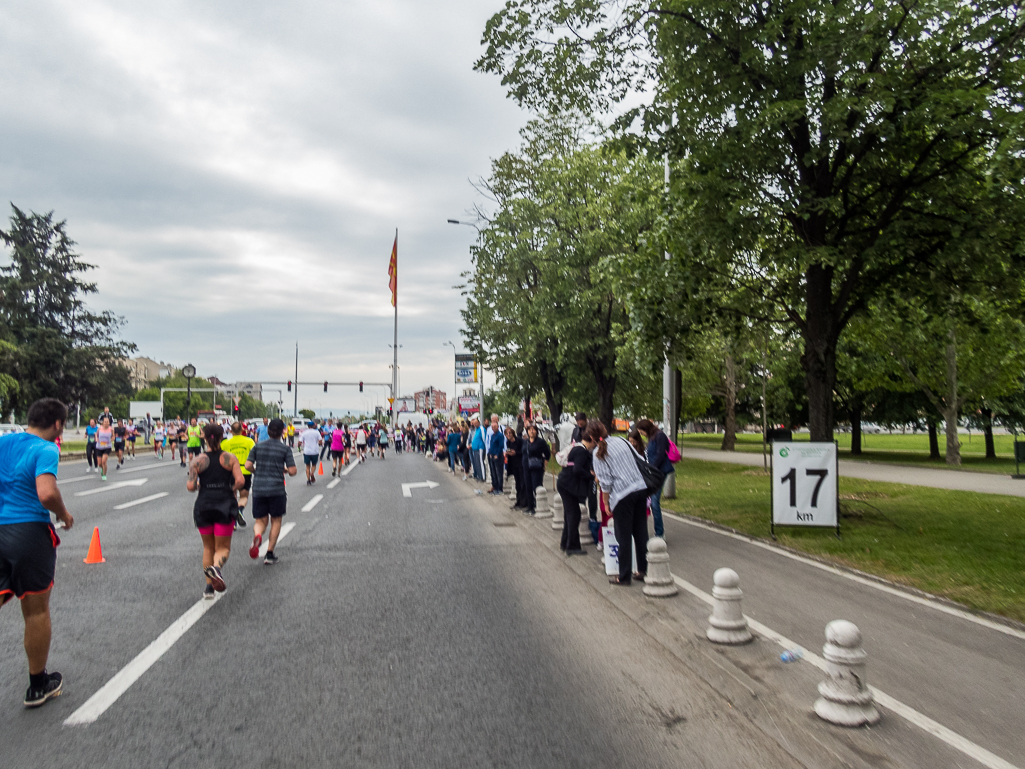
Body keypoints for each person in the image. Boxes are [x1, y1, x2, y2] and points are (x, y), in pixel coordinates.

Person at [0, 398, 74, 708]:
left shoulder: (4, 442)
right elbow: (46, 492)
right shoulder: (45, 449)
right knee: (35, 610)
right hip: (27, 532)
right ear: (58, 425)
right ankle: (37, 684)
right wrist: (64, 515)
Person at [585, 420, 648, 585]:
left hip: (622, 494)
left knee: (623, 535)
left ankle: (624, 575)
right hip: (640, 488)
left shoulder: (598, 453)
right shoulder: (622, 441)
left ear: (591, 436)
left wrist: (606, 503)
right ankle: (643, 569)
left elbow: (605, 483)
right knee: (641, 532)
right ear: (606, 430)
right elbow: (640, 458)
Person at [186, 423, 244, 599]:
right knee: (223, 547)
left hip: (203, 504)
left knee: (207, 547)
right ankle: (216, 568)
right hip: (224, 503)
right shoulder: (230, 458)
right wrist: (231, 488)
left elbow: (190, 486)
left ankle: (209, 588)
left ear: (204, 437)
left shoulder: (197, 461)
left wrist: (198, 485)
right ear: (221, 437)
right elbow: (241, 481)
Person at [246, 419, 297, 566]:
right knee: (276, 520)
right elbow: (293, 471)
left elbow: (248, 465)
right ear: (282, 432)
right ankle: (269, 553)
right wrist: (286, 470)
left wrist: (256, 471)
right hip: (276, 489)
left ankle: (257, 535)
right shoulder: (284, 449)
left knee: (260, 520)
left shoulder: (257, 447)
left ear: (268, 431)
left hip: (259, 488)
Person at [636, 419, 674, 539]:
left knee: (654, 502)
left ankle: (659, 532)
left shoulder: (659, 436)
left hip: (659, 472)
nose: (642, 435)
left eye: (642, 432)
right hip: (654, 472)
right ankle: (656, 531)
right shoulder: (652, 437)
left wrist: (652, 469)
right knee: (652, 501)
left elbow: (660, 454)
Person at [557, 435, 593, 555]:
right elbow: (577, 469)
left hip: (564, 483)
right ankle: (572, 546)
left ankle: (565, 542)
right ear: (591, 440)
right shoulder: (581, 451)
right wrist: (591, 476)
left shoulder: (576, 447)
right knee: (574, 515)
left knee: (569, 514)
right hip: (569, 485)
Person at [221, 422, 255, 528]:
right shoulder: (249, 441)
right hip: (245, 471)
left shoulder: (226, 443)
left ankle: (233, 521)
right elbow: (255, 453)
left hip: (230, 471)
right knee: (244, 496)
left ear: (230, 430)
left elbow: (221, 457)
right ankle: (240, 510)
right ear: (242, 430)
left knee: (232, 495)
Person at [521, 423, 551, 515]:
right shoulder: (525, 442)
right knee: (528, 486)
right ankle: (530, 506)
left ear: (537, 431)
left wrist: (545, 463)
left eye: (533, 430)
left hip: (536, 467)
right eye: (529, 430)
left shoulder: (540, 442)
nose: (531, 431)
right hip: (526, 467)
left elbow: (547, 453)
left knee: (536, 486)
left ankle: (539, 506)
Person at [504, 427, 525, 507]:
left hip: (520, 464)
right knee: (517, 484)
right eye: (507, 433)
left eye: (510, 433)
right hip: (513, 464)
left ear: (513, 433)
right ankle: (518, 500)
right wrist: (508, 453)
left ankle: (523, 501)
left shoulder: (519, 441)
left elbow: (522, 451)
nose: (508, 435)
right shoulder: (508, 442)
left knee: (522, 483)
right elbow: (508, 450)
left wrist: (515, 453)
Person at [486, 415, 507, 495]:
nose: (493, 428)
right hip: (491, 454)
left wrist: (498, 454)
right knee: (493, 472)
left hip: (498, 455)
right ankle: (495, 487)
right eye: (492, 426)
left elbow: (501, 445)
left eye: (495, 426)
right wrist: (489, 452)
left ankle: (499, 488)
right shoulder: (491, 433)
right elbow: (488, 442)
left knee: (499, 472)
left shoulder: (500, 433)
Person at [469, 417, 485, 482]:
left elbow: (484, 439)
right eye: (474, 423)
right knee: (476, 463)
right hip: (474, 448)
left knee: (480, 462)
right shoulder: (476, 429)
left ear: (479, 422)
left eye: (476, 423)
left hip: (480, 448)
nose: (474, 424)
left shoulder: (481, 429)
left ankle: (482, 477)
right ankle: (478, 475)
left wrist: (483, 447)